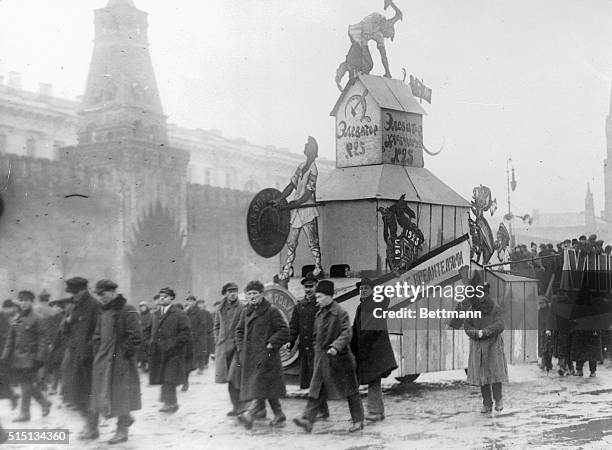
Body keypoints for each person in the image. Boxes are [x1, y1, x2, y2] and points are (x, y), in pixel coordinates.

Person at [294, 280, 365, 433]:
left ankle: (358, 421)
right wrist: (316, 348)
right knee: (316, 389)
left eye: (319, 297)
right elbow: (315, 334)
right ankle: (307, 420)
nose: (317, 300)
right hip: (323, 358)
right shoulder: (320, 313)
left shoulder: (340, 312)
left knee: (351, 391)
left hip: (341, 360)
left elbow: (347, 333)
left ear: (328, 296)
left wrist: (335, 346)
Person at [90, 280, 142, 444]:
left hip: (121, 360)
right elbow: (97, 335)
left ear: (113, 292)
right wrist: (97, 349)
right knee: (107, 393)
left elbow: (136, 336)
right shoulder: (103, 312)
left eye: (103, 294)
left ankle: (122, 431)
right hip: (104, 360)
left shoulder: (127, 309)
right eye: (98, 295)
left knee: (120, 394)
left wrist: (125, 353)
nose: (101, 298)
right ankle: (125, 418)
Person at [236, 280, 289, 429]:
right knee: (266, 387)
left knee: (259, 386)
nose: (252, 296)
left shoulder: (271, 311)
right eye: (249, 294)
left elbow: (284, 330)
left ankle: (250, 414)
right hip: (250, 357)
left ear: (262, 294)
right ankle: (279, 415)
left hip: (267, 356)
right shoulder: (246, 311)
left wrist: (272, 343)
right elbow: (239, 331)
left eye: (255, 293)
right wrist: (241, 348)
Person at [272, 136, 322, 282]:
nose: (305, 147)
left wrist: (294, 204)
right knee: (291, 242)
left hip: (307, 210)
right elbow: (291, 185)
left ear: (312, 151)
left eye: (307, 145)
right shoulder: (301, 166)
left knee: (313, 241)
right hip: (296, 210)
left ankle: (318, 267)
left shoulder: (314, 170)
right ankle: (287, 270)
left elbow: (308, 193)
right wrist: (280, 198)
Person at [350, 278, 397, 422]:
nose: (363, 290)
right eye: (361, 288)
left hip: (374, 351)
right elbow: (356, 329)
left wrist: (358, 349)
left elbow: (369, 332)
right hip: (371, 350)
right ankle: (376, 411)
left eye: (366, 288)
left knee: (373, 381)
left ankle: (375, 412)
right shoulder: (363, 306)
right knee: (373, 381)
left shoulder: (373, 305)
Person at [1, 290, 51, 422]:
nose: (24, 303)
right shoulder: (16, 319)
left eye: (27, 300)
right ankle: (44, 403)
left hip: (31, 357)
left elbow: (43, 340)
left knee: (25, 383)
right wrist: (5, 356)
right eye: (21, 300)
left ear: (32, 302)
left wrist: (40, 358)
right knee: (26, 383)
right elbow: (10, 339)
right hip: (17, 358)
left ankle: (25, 413)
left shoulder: (38, 318)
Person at [61, 277, 101, 439]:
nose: (73, 295)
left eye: (75, 292)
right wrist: (67, 321)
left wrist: (89, 349)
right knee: (74, 394)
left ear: (84, 290)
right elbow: (65, 330)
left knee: (87, 393)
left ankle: (92, 427)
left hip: (89, 358)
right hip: (74, 355)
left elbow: (99, 332)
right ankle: (88, 424)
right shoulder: (73, 306)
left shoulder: (95, 306)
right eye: (72, 293)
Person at [287, 272, 329, 417]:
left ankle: (316, 411)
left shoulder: (321, 305)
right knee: (313, 380)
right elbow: (294, 326)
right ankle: (323, 410)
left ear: (316, 286)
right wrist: (290, 341)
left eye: (311, 286)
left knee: (317, 380)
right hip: (305, 349)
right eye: (306, 287)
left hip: (317, 348)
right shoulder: (299, 306)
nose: (308, 289)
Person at [464, 279, 508, 414]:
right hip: (478, 347)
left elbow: (500, 324)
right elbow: (467, 326)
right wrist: (476, 333)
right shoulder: (471, 308)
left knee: (495, 373)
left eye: (482, 293)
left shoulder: (495, 307)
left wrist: (486, 331)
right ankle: (487, 403)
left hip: (493, 345)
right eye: (478, 293)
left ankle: (498, 400)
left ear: (487, 293)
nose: (479, 296)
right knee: (482, 377)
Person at [149, 287, 191, 413]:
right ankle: (167, 402)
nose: (162, 298)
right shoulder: (156, 314)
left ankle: (171, 403)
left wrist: (174, 345)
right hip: (158, 351)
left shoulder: (179, 313)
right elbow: (149, 330)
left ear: (171, 298)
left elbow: (186, 333)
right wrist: (149, 342)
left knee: (169, 378)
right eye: (161, 296)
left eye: (165, 296)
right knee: (163, 377)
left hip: (174, 352)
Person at [214, 282, 247, 416]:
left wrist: (241, 344)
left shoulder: (243, 308)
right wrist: (218, 339)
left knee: (236, 378)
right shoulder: (220, 308)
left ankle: (241, 406)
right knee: (228, 379)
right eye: (230, 291)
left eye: (235, 291)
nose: (233, 294)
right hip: (223, 348)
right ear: (225, 293)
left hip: (237, 348)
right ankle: (235, 407)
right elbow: (216, 326)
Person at [0, 299, 19, 410]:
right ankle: (11, 396)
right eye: (10, 308)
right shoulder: (3, 318)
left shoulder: (9, 318)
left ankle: (11, 396)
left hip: (5, 354)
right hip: (3, 351)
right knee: (3, 378)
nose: (12, 310)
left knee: (3, 377)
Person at [137, 302, 152, 372]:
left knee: (147, 352)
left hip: (147, 336)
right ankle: (142, 365)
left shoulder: (150, 315)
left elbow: (149, 325)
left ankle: (148, 365)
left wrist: (142, 328)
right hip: (140, 336)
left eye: (144, 306)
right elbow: (137, 323)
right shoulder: (139, 315)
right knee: (141, 352)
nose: (142, 308)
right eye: (141, 307)